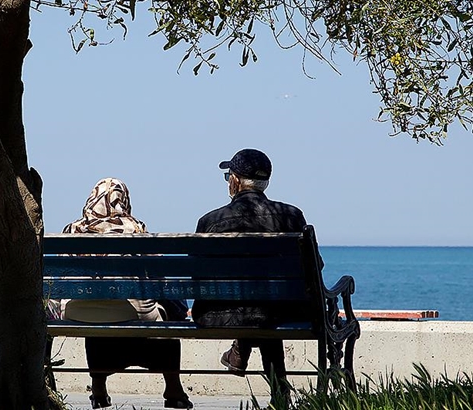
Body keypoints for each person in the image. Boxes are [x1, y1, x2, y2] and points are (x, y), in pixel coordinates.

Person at [55, 178, 193, 410]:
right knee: (162, 314)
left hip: (78, 314)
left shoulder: (72, 230)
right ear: (124, 200)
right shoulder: (135, 229)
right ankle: (173, 389)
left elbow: (59, 279)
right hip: (134, 314)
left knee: (96, 309)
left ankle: (98, 389)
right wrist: (179, 310)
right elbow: (160, 278)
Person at [190, 149, 307, 404]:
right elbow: (312, 267)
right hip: (280, 313)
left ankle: (241, 353)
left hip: (217, 315)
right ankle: (277, 393)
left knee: (257, 305)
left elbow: (196, 276)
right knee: (265, 307)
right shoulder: (292, 216)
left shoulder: (210, 221)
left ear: (235, 180)